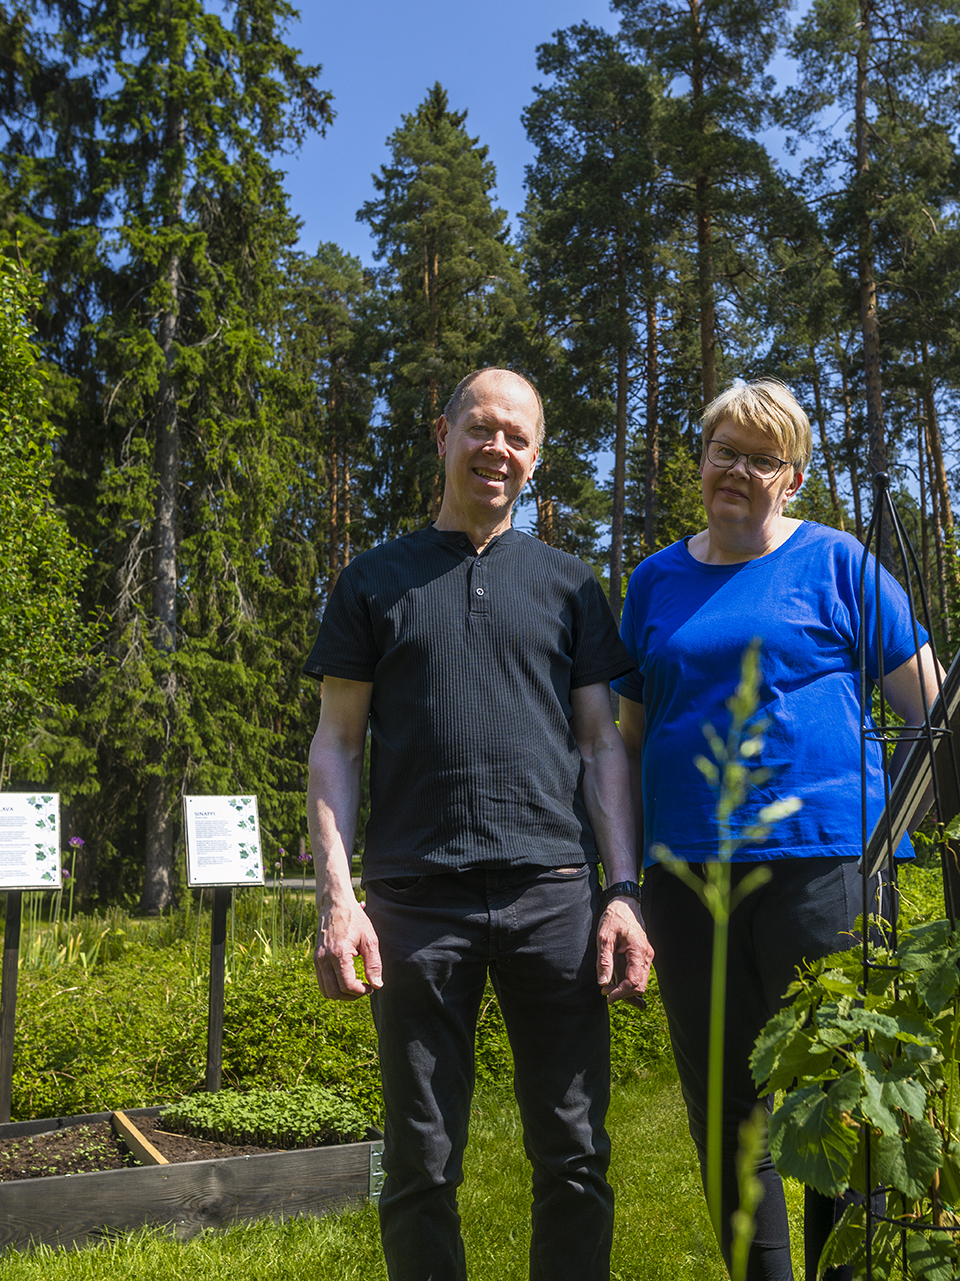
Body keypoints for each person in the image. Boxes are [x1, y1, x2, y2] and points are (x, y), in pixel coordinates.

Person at [305, 367, 654, 1281]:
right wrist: (339, 900)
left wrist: (622, 892)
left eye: (518, 436)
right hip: (419, 906)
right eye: (481, 427)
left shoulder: (571, 586)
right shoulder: (374, 581)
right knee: (421, 1164)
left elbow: (602, 747)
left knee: (576, 1157)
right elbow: (336, 745)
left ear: (535, 460)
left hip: (555, 899)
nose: (497, 448)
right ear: (443, 435)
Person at [615, 379, 945, 1281]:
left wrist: (883, 839)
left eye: (764, 458)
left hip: (826, 870)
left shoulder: (838, 562)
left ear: (792, 479)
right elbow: (632, 740)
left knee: (842, 1096)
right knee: (728, 1114)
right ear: (702, 458)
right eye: (726, 448)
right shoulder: (654, 582)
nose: (740, 470)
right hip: (688, 880)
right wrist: (626, 880)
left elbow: (931, 706)